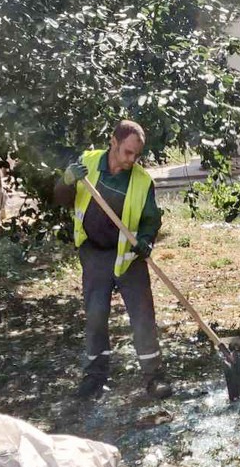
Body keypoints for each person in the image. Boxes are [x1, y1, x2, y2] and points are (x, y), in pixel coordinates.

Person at [53, 120, 172, 400]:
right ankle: (95, 377)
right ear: (113, 142)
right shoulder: (88, 164)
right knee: (95, 317)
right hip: (94, 255)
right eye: (127, 152)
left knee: (143, 317)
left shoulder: (142, 181)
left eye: (137, 155)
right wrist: (66, 180)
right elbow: (61, 198)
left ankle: (154, 377)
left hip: (129, 258)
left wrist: (146, 240)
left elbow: (150, 219)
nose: (132, 160)